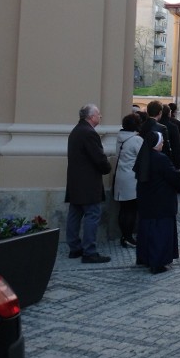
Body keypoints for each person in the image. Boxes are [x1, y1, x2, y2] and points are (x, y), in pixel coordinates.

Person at [65, 103, 112, 263]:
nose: (100, 116)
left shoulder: (76, 131)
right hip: (88, 183)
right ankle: (89, 251)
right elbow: (98, 158)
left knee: (75, 214)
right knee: (92, 215)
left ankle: (74, 248)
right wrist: (107, 166)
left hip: (75, 182)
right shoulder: (89, 133)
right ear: (91, 117)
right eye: (98, 114)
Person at [135, 132, 180, 274]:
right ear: (155, 144)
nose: (163, 145)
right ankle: (157, 262)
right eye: (161, 142)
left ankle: (144, 258)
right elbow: (173, 177)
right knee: (160, 232)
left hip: (146, 201)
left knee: (146, 230)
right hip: (161, 201)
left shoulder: (143, 156)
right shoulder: (161, 159)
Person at [113, 113, 143, 248]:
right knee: (131, 210)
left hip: (120, 176)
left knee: (123, 209)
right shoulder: (136, 140)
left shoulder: (120, 138)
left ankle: (124, 236)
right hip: (132, 178)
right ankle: (129, 237)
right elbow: (142, 158)